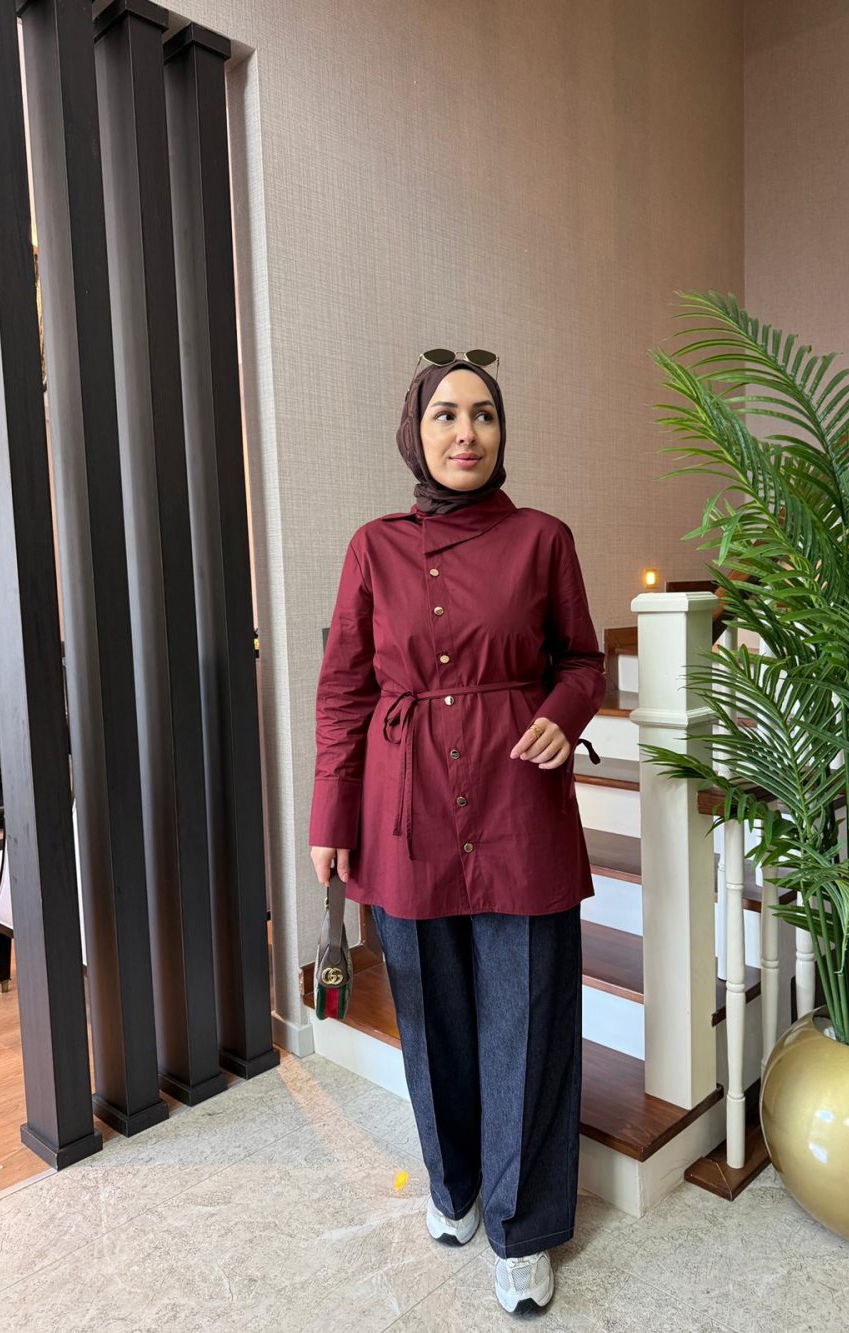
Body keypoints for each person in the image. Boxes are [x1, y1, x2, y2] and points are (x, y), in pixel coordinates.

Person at [309, 350, 606, 1315]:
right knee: (430, 1017)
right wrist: (330, 815)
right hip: (405, 808)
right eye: (445, 414)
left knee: (528, 1016)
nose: (466, 433)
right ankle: (456, 1186)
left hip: (518, 798)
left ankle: (523, 1229)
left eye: (483, 414)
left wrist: (564, 711)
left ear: (501, 432)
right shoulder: (372, 547)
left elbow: (583, 660)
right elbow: (344, 691)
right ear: (416, 431)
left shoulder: (544, 539)